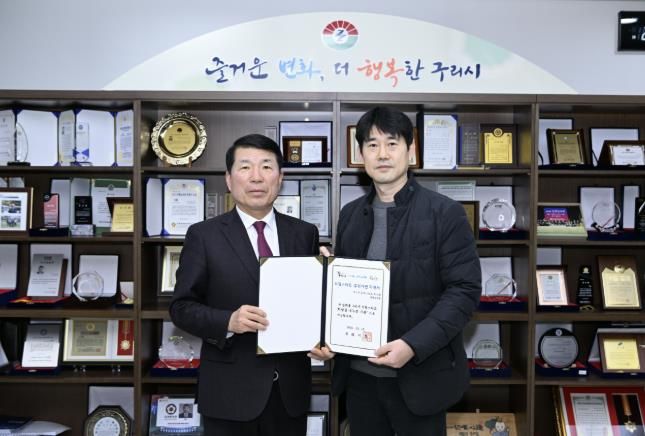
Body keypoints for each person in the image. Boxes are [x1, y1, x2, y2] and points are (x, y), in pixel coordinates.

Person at [331, 107, 482, 435]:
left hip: (420, 377)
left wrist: (412, 345)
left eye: (392, 143)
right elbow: (343, 291)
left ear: (411, 152)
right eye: (372, 145)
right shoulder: (350, 215)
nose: (382, 154)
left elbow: (464, 292)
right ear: (360, 155)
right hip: (359, 380)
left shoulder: (445, 213)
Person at [169, 134, 330, 436]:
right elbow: (181, 308)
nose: (257, 177)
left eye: (266, 166)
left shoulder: (304, 233)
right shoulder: (204, 236)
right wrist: (228, 321)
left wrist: (325, 331)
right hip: (229, 394)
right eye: (245, 167)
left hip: (289, 393)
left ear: (280, 178)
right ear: (229, 179)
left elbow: (311, 303)